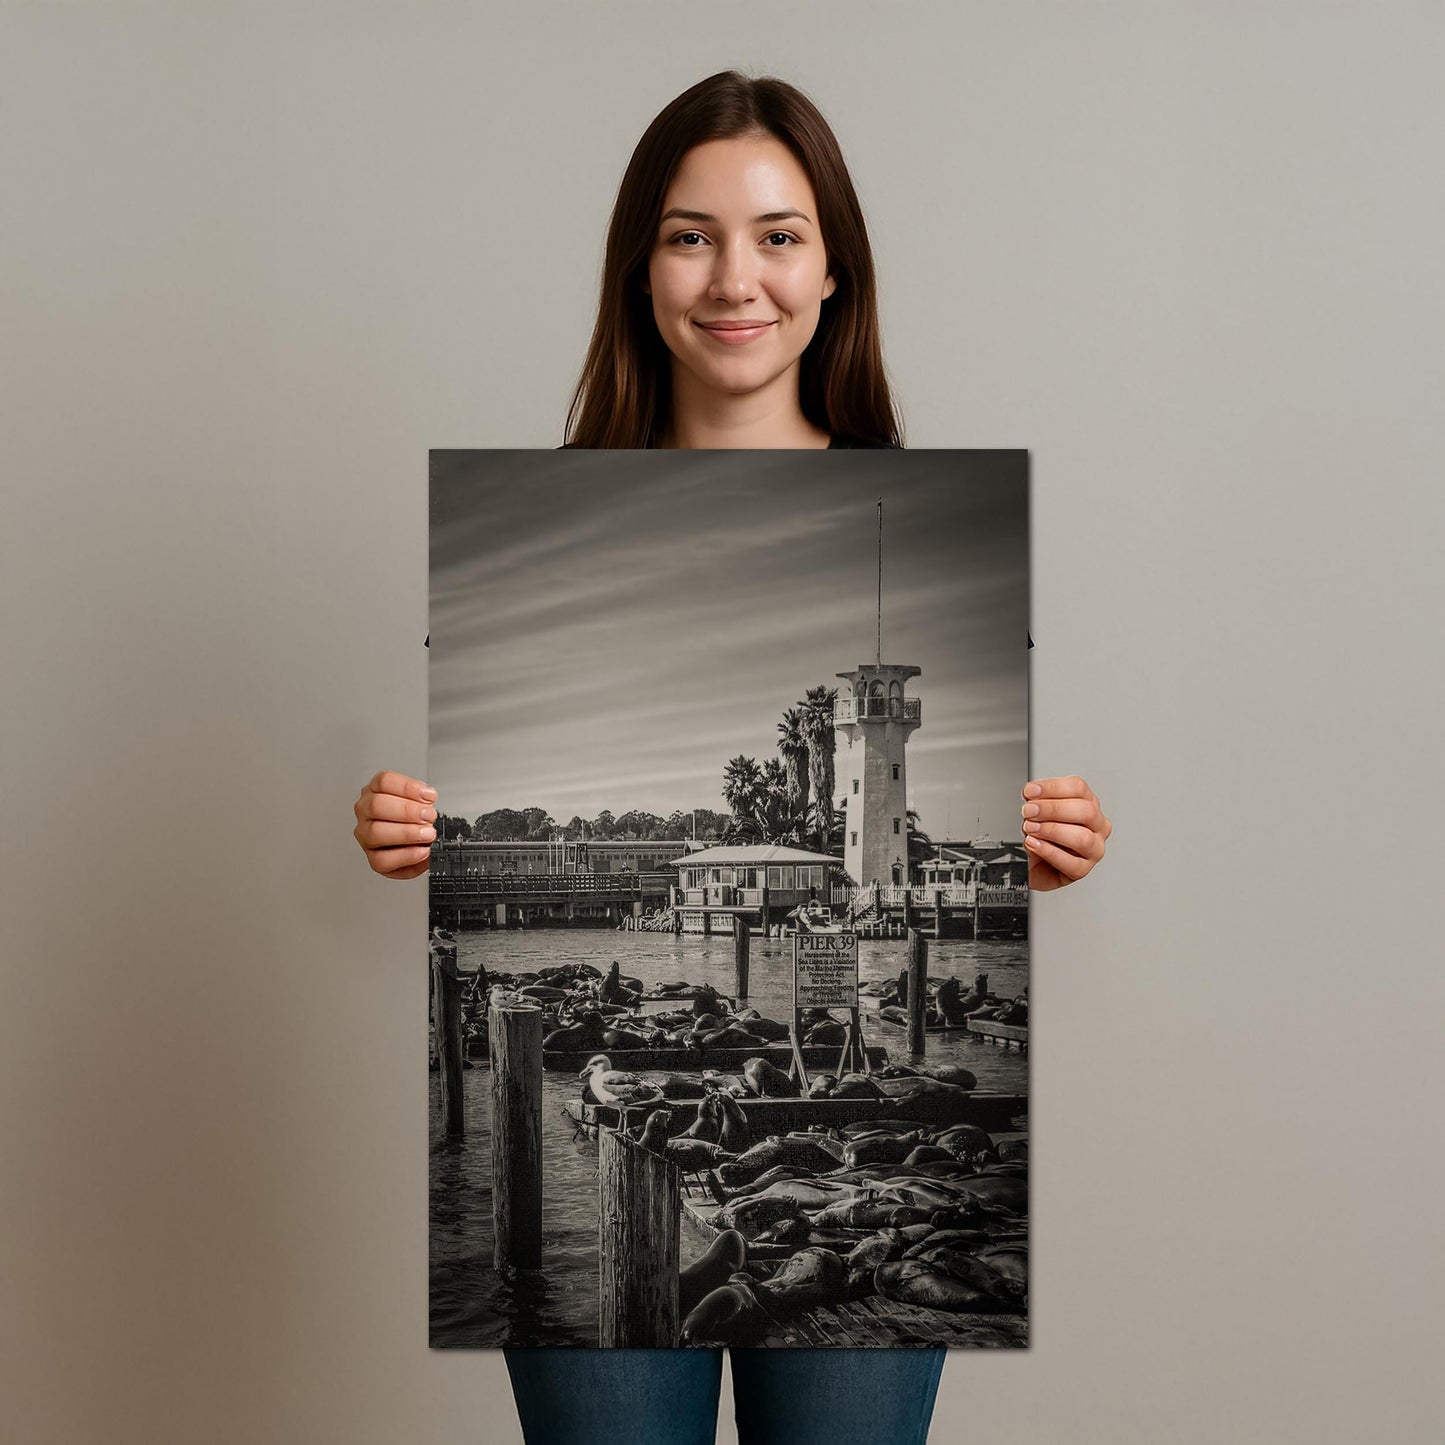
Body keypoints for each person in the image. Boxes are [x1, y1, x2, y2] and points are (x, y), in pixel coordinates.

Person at [352, 70, 1112, 1445]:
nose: (734, 277)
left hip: (816, 1140)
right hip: (784, 1123)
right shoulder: (500, 505)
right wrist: (402, 836)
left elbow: (1013, 865)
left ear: (833, 272)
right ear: (638, 269)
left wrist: (1055, 852)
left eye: (778, 234)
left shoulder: (974, 514)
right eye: (689, 234)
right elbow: (414, 828)